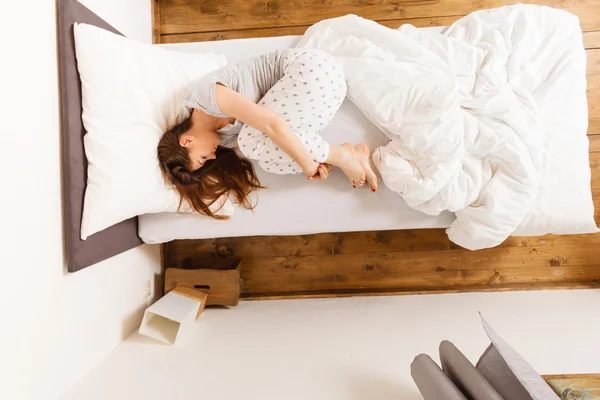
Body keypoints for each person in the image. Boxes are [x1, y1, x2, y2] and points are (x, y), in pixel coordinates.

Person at [158, 48, 378, 219]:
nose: (213, 157)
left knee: (251, 142)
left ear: (187, 140)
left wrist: (309, 166)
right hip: (327, 96)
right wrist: (310, 161)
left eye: (203, 158)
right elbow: (277, 144)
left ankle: (341, 156)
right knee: (268, 161)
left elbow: (272, 125)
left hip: (313, 71)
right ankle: (351, 153)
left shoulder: (205, 97)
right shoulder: (224, 138)